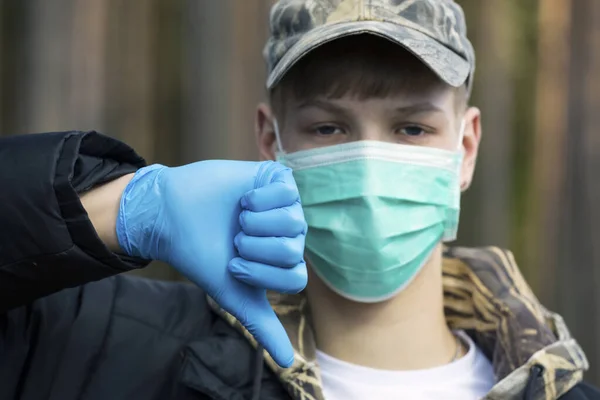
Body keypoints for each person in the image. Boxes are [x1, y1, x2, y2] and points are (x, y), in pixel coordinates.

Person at [0, 1, 597, 400]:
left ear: (465, 148)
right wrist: (124, 209)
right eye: (328, 129)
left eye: (412, 128)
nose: (367, 166)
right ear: (271, 142)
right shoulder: (119, 350)